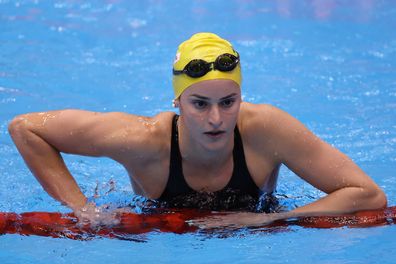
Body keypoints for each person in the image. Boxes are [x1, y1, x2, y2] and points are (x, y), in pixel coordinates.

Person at [8, 32, 387, 228]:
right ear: (177, 103)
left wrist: (272, 218)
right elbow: (25, 128)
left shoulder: (267, 129)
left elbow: (368, 194)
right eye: (199, 104)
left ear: (242, 96)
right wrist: (81, 209)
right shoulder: (140, 140)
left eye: (228, 102)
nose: (217, 119)